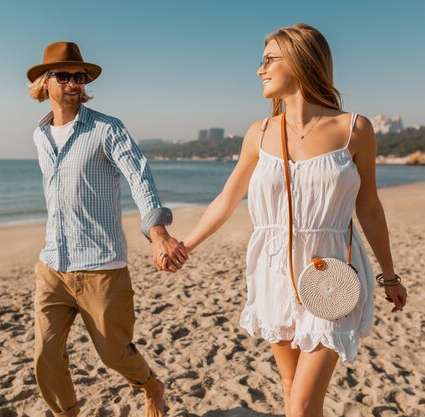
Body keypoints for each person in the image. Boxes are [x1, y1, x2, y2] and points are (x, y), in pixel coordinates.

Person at [173, 24, 408, 417]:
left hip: (331, 272)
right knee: (291, 390)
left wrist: (389, 275)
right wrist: (186, 246)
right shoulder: (260, 132)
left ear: (299, 61)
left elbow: (369, 207)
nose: (259, 70)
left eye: (268, 60)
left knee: (300, 404)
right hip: (273, 271)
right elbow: (227, 198)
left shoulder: (355, 130)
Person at [26, 41, 188, 417]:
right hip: (52, 265)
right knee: (45, 354)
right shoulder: (40, 135)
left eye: (79, 76)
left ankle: (151, 385)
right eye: (64, 76)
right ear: (45, 83)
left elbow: (139, 175)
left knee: (115, 353)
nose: (73, 83)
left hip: (101, 266)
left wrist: (158, 231)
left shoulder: (106, 129)